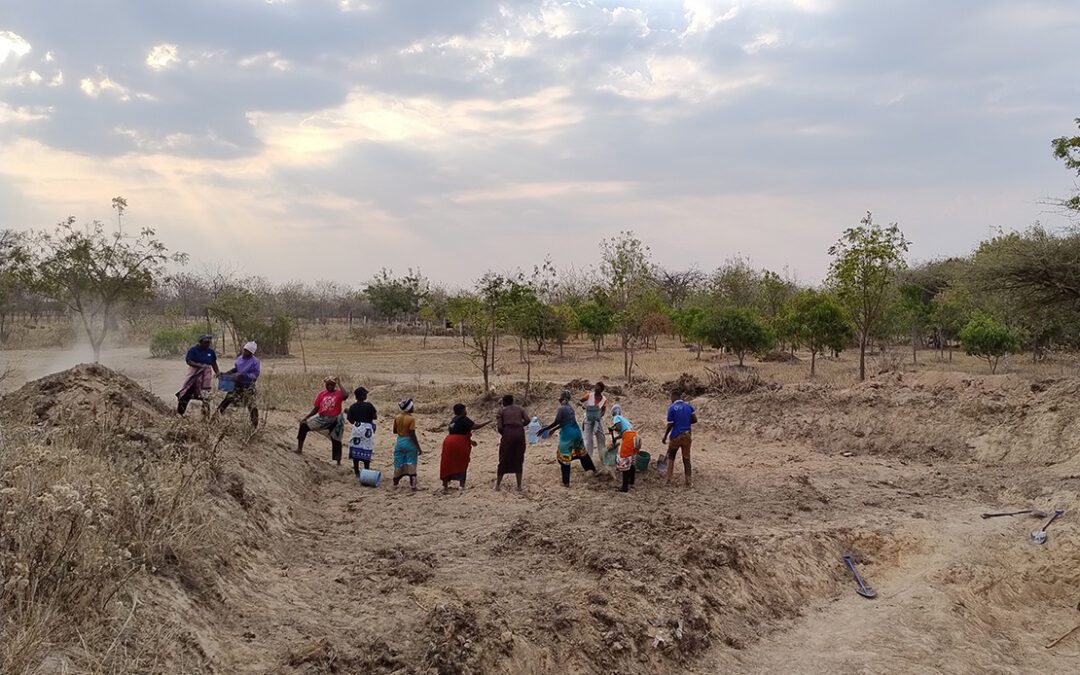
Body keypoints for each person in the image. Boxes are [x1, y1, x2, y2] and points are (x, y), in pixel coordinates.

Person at [537, 390, 597, 487]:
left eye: (560, 397)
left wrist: (546, 429)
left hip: (568, 435)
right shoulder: (570, 408)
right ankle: (592, 471)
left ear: (562, 398)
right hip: (577, 432)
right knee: (582, 453)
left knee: (564, 458)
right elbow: (564, 422)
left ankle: (566, 483)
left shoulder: (561, 409)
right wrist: (553, 430)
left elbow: (557, 421)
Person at [297, 377, 349, 464]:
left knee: (336, 439)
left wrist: (339, 383)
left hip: (336, 419)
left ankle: (338, 462)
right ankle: (299, 449)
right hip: (322, 418)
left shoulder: (338, 393)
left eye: (331, 384)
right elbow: (316, 409)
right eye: (327, 384)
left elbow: (346, 396)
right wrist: (306, 417)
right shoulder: (322, 394)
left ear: (335, 385)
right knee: (303, 426)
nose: (329, 386)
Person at [440, 403, 490, 492]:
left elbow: (457, 433)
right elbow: (475, 426)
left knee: (447, 463)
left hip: (448, 442)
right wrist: (487, 422)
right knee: (462, 462)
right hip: (459, 443)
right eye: (465, 409)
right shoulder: (464, 419)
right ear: (463, 411)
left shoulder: (453, 420)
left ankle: (445, 485)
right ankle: (461, 486)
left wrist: (471, 441)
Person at [217, 341, 260, 427]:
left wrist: (243, 375)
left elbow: (255, 375)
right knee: (227, 399)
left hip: (248, 386)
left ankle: (254, 425)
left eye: (247, 351)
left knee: (252, 405)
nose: (245, 352)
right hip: (238, 384)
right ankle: (215, 418)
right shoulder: (240, 358)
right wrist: (230, 372)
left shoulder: (255, 362)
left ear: (251, 353)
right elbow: (237, 368)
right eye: (244, 350)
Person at [176, 334, 219, 416]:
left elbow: (214, 362)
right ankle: (180, 413)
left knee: (205, 395)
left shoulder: (211, 352)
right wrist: (200, 366)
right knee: (186, 392)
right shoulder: (193, 350)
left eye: (208, 342)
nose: (207, 344)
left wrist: (217, 372)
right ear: (200, 342)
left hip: (206, 375)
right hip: (194, 373)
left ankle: (206, 415)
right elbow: (188, 361)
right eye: (205, 342)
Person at [662, 390, 698, 487]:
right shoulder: (689, 407)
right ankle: (688, 482)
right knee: (686, 459)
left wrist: (665, 436)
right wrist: (685, 421)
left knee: (671, 457)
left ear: (673, 397)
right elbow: (695, 419)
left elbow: (670, 424)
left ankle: (669, 480)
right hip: (687, 435)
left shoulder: (672, 408)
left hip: (676, 435)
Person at [495, 394, 529, 492]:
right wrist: (519, 426)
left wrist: (506, 433)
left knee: (503, 459)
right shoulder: (521, 409)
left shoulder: (501, 411)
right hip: (519, 434)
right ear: (513, 401)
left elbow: (500, 428)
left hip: (508, 435)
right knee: (519, 458)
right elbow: (527, 420)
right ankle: (519, 486)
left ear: (504, 402)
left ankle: (497, 485)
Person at [346, 387, 377, 477]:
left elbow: (351, 421)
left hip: (357, 428)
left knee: (356, 449)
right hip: (367, 430)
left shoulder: (352, 407)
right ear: (363, 396)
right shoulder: (369, 405)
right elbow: (374, 417)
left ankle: (356, 471)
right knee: (366, 448)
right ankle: (366, 471)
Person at [392, 398, 423, 490]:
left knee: (398, 462)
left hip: (400, 442)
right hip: (409, 443)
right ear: (409, 408)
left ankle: (395, 484)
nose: (413, 407)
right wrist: (418, 448)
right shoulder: (411, 419)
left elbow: (394, 431)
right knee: (411, 463)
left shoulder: (397, 417)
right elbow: (412, 434)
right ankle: (413, 485)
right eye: (412, 406)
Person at [609, 404, 640, 493]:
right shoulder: (624, 419)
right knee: (632, 460)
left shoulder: (616, 417)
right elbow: (624, 431)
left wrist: (612, 429)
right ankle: (631, 481)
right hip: (636, 437)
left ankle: (624, 487)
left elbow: (618, 427)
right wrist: (615, 438)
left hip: (629, 439)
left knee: (625, 461)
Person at [579, 381, 607, 464]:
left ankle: (603, 457)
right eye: (596, 386)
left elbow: (603, 411)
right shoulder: (589, 395)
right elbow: (580, 401)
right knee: (588, 439)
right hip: (588, 419)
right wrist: (584, 407)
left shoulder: (604, 399)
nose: (596, 387)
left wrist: (599, 416)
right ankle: (588, 458)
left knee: (601, 438)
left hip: (597, 420)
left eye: (598, 386)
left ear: (601, 389)